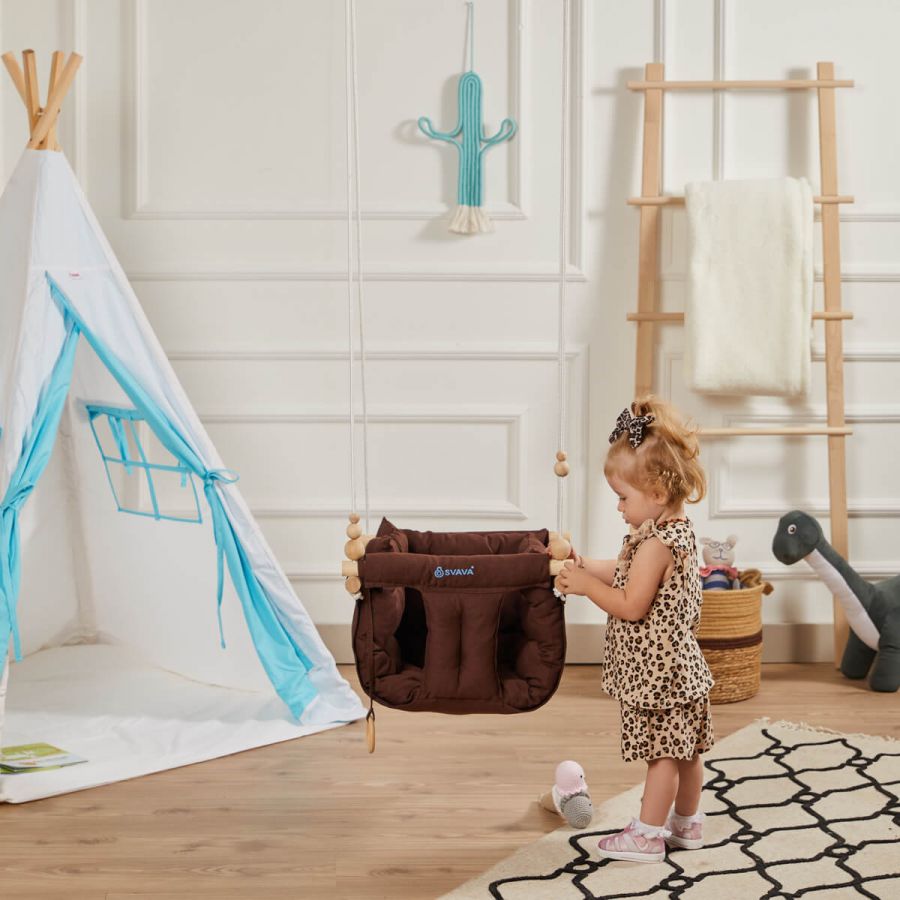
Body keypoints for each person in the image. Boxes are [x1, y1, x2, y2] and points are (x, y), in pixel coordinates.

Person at [556, 396, 714, 863]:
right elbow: (624, 573)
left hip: (659, 672)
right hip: (678, 667)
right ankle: (687, 823)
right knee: (686, 750)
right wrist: (587, 566)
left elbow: (630, 604)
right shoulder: (665, 532)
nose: (620, 508)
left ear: (658, 494)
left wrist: (584, 586)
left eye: (623, 497)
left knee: (662, 753)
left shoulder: (657, 544)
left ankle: (646, 834)